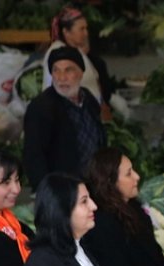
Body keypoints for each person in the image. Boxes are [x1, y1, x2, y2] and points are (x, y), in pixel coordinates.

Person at [23, 47, 107, 188]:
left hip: (93, 183)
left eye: (68, 70)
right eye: (56, 70)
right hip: (64, 188)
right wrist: (45, 190)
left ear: (80, 73)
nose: (61, 78)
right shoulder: (41, 108)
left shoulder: (88, 99)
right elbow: (33, 156)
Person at [43, 5, 112, 106]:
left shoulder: (76, 50)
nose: (86, 33)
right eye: (82, 29)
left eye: (86, 28)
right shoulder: (58, 53)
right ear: (66, 32)